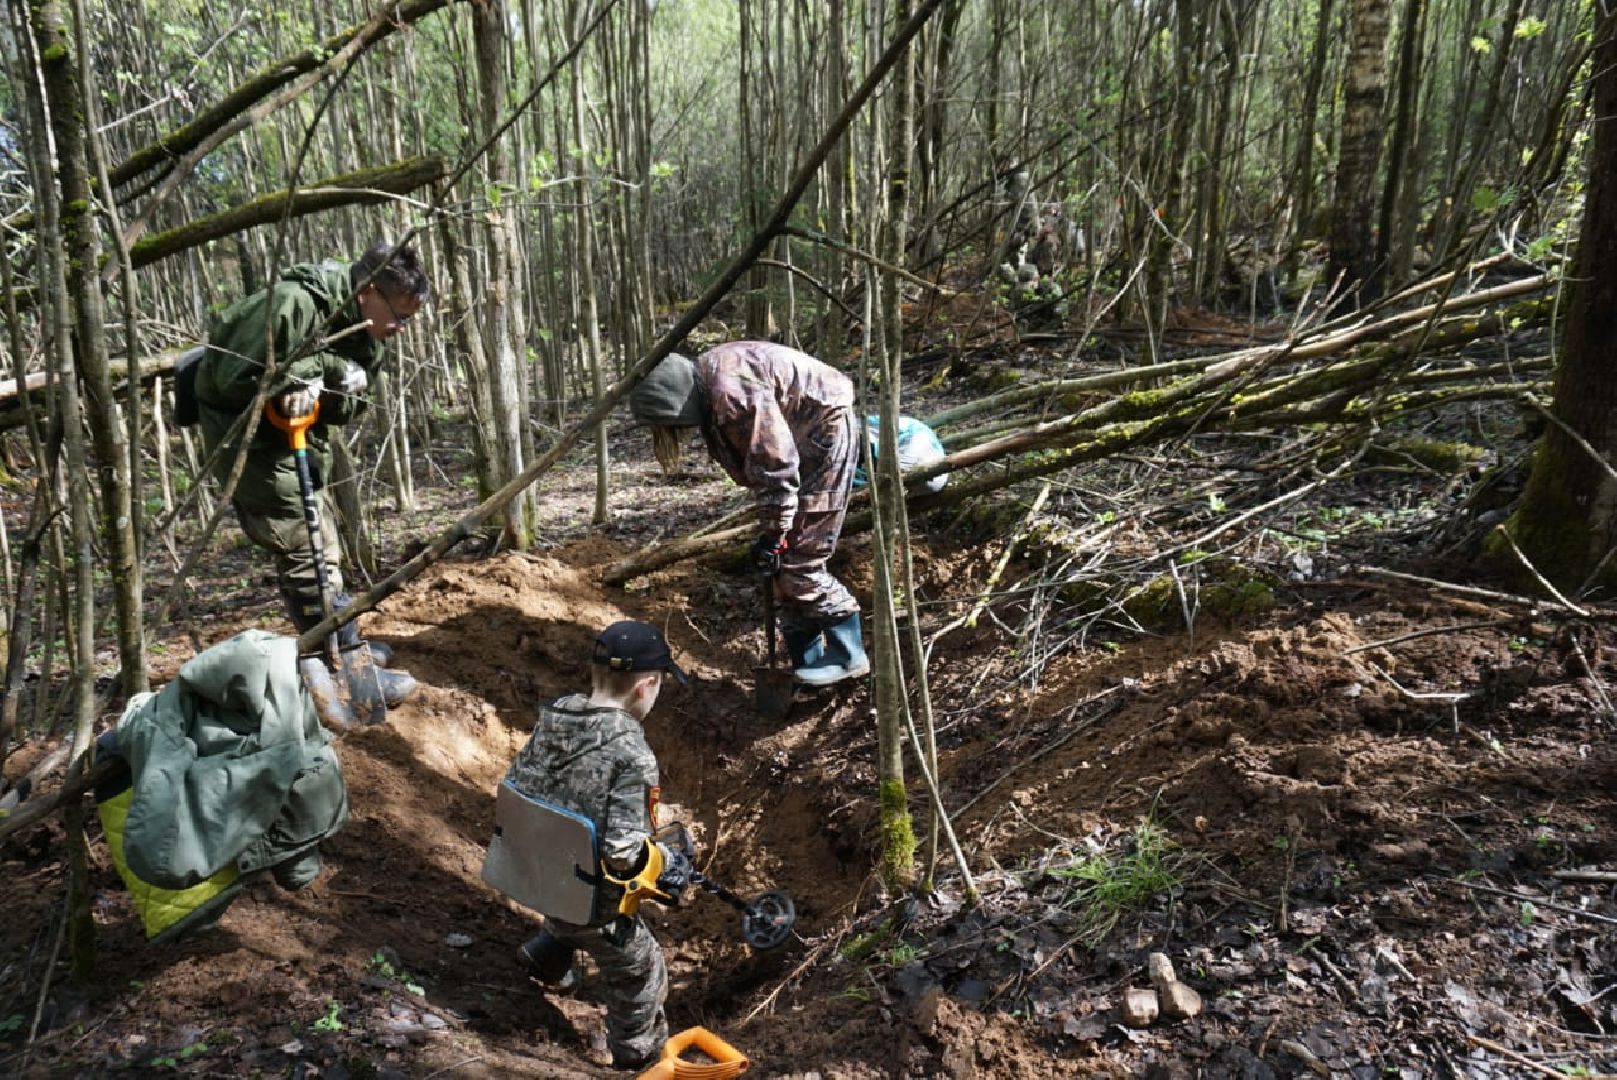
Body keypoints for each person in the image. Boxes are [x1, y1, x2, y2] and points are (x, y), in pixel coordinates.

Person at [192, 240, 428, 706]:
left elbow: (345, 409)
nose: (401, 329)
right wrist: (318, 369)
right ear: (366, 292)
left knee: (323, 547)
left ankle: (338, 646)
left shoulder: (369, 331)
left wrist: (337, 384)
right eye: (397, 316)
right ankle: (332, 665)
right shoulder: (291, 305)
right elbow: (229, 377)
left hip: (301, 439)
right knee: (301, 546)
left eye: (408, 320)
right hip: (250, 443)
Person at [504, 621, 689, 1071]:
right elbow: (623, 854)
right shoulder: (632, 753)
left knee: (578, 878)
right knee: (642, 967)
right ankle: (637, 1055)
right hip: (583, 892)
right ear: (646, 686)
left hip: (529, 867)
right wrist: (668, 864)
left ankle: (548, 952)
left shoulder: (558, 712)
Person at [628, 342, 870, 687]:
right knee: (780, 565)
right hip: (805, 436)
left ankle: (850, 655)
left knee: (800, 561)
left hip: (824, 433)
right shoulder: (711, 381)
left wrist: (774, 535)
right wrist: (773, 538)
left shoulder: (731, 394)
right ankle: (808, 662)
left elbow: (775, 467)